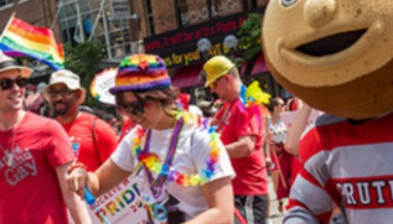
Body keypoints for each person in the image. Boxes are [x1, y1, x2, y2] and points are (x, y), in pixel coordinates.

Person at [67, 54, 234, 224]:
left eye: (137, 107)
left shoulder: (199, 138)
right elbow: (99, 183)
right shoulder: (137, 139)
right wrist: (82, 176)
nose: (131, 115)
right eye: (125, 107)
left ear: (161, 96)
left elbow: (222, 213)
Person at [0, 52, 91, 224]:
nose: (17, 89)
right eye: (6, 84)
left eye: (20, 82)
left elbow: (72, 195)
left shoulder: (48, 130)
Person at [204, 55, 269, 224]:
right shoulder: (228, 105)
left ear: (226, 79)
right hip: (236, 188)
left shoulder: (244, 103)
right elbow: (209, 125)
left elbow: (246, 147)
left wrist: (210, 152)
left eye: (214, 84)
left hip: (248, 189)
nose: (212, 90)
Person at [43, 69, 118, 171]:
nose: (58, 98)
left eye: (65, 92)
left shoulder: (98, 128)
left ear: (78, 95)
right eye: (53, 93)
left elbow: (116, 174)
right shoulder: (46, 132)